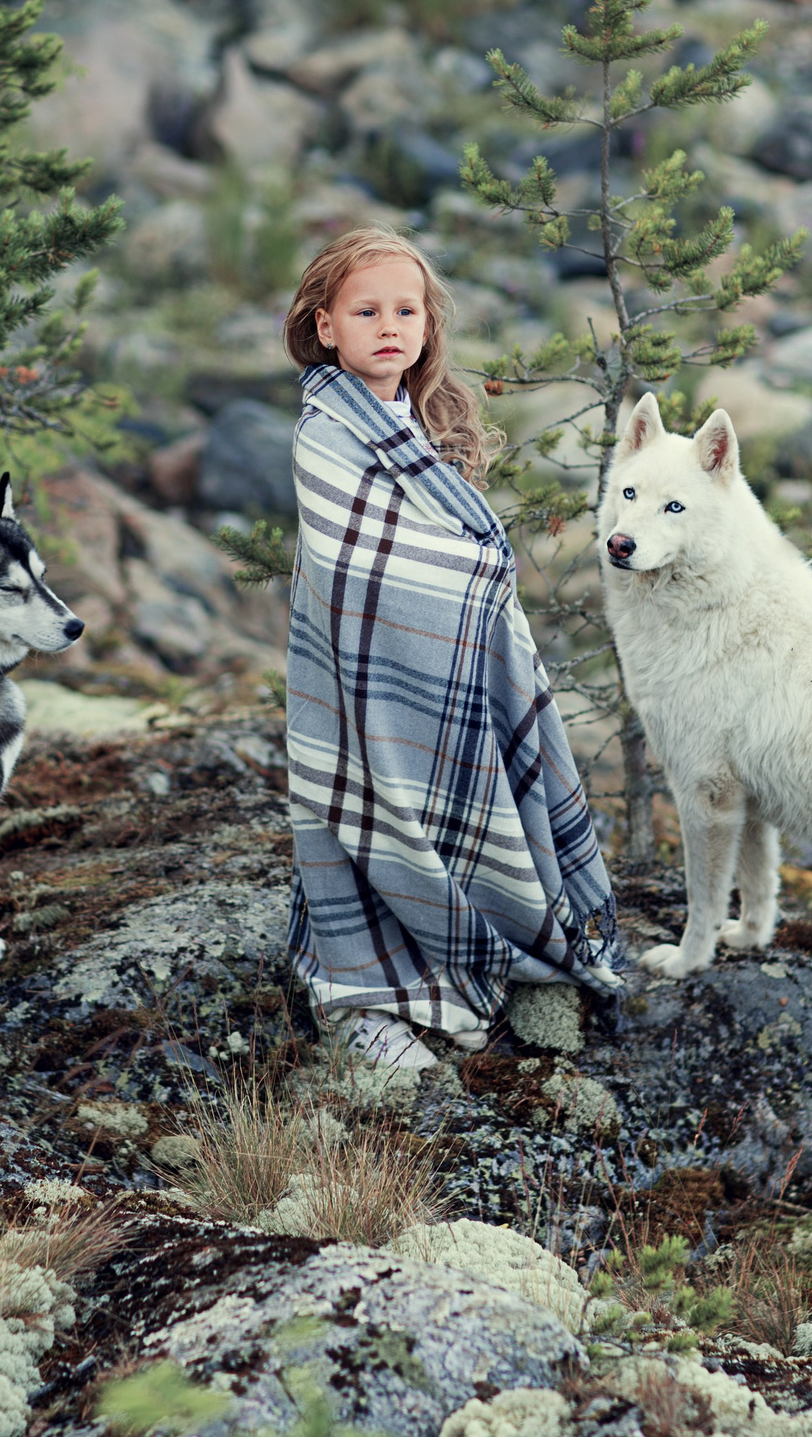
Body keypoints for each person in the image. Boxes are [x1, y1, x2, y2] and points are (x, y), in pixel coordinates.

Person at [279, 225, 623, 1073]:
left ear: (429, 325)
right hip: (370, 679)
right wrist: (466, 578)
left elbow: (462, 546)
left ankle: (468, 956)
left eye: (407, 309)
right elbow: (348, 564)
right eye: (366, 310)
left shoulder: (431, 423)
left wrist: (477, 589)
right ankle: (366, 994)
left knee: (465, 813)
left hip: (458, 672)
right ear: (326, 326)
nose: (389, 325)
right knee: (377, 815)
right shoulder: (326, 429)